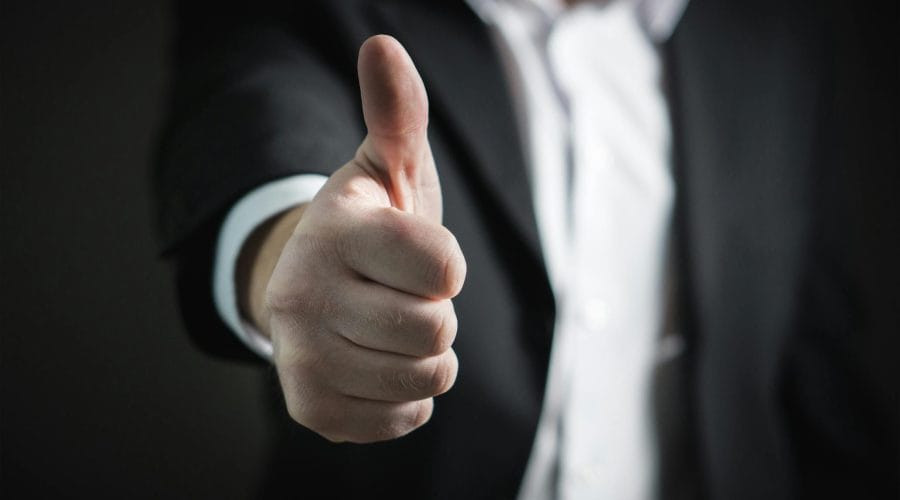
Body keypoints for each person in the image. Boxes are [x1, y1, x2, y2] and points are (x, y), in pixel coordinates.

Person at [154, 0, 898, 498]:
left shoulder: (780, 33)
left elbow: (814, 356)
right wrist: (298, 270)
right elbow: (256, 137)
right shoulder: (314, 11)